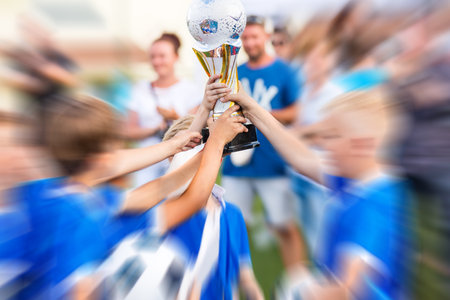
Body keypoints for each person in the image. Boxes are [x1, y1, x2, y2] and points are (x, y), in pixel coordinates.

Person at [7, 89, 245, 298]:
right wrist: (216, 143)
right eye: (114, 145)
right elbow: (191, 201)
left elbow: (160, 186)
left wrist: (186, 148)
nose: (120, 150)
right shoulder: (89, 220)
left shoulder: (52, 193)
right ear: (99, 158)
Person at [225, 87, 412, 299]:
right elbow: (302, 159)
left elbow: (347, 290)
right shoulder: (358, 181)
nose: (323, 144)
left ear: (362, 145)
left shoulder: (373, 206)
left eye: (333, 136)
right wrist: (253, 111)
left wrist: (300, 291)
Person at [221, 15, 306, 270]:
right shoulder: (234, 72)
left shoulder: (285, 70)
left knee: (284, 226)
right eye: (245, 37)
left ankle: (297, 283)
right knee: (233, 226)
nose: (249, 42)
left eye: (255, 36)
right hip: (237, 162)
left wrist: (258, 113)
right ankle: (234, 282)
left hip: (273, 162)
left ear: (266, 37)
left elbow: (296, 112)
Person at [125, 33, 203, 186]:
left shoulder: (190, 90)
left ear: (175, 57)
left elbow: (196, 130)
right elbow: (128, 131)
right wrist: (155, 129)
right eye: (153, 56)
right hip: (145, 163)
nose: (157, 61)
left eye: (162, 56)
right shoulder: (140, 89)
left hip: (177, 160)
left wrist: (176, 118)